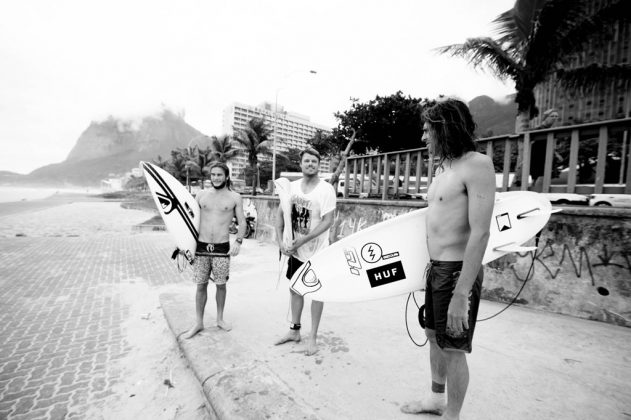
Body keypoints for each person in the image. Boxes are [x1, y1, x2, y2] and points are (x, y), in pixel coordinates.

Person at [401, 99, 495, 419]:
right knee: (432, 336)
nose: (424, 138)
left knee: (454, 348)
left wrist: (461, 292)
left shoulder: (477, 165)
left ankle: (452, 416)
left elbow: (480, 232)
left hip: (457, 272)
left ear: (445, 129)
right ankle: (435, 399)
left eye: (428, 131)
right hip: (435, 269)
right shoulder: (443, 167)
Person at [274, 148, 337, 356]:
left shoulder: (326, 189)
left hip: (318, 252)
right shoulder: (291, 188)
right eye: (307, 161)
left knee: (317, 293)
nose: (310, 164)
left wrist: (305, 239)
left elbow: (328, 221)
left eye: (314, 161)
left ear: (319, 165)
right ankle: (295, 331)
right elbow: (281, 213)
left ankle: (313, 338)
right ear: (300, 164)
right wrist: (280, 239)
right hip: (295, 251)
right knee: (295, 289)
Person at [184, 162, 246, 338]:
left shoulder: (234, 197)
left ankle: (219, 319)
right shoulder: (201, 195)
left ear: (226, 176)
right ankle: (198, 322)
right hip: (201, 247)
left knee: (221, 285)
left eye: (219, 175)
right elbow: (188, 219)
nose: (216, 178)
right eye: (213, 175)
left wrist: (238, 242)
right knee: (200, 285)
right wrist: (183, 243)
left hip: (221, 247)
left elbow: (242, 222)